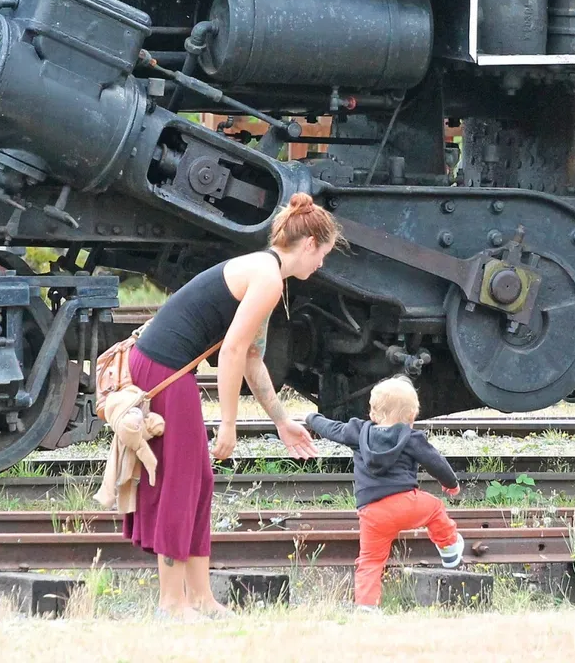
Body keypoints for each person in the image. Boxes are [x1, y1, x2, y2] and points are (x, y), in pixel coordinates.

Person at [124, 191, 337, 618]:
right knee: (181, 482)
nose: (321, 265)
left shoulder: (265, 270)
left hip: (164, 366)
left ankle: (201, 599)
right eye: (323, 255)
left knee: (199, 480)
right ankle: (171, 603)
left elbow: (252, 356)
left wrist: (281, 421)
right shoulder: (269, 279)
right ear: (310, 244)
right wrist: (227, 423)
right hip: (165, 369)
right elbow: (232, 352)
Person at [305, 376, 465, 612]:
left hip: (372, 512)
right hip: (407, 504)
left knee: (370, 561)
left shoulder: (358, 432)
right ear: (412, 416)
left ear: (373, 412)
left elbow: (332, 429)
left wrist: (312, 418)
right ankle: (449, 549)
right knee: (435, 508)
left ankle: (367, 607)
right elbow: (435, 462)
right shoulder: (411, 437)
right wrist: (450, 484)